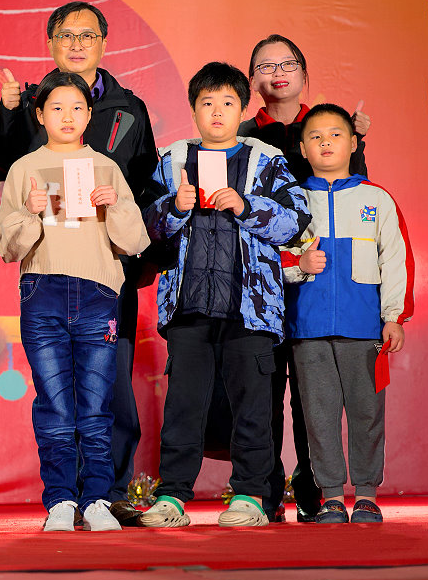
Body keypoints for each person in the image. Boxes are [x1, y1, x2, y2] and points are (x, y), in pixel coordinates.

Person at [0, 1, 159, 527]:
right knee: (56, 401)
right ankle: (62, 497)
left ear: (104, 43)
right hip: (44, 281)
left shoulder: (128, 114)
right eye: (66, 34)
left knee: (107, 398)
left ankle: (106, 495)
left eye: (88, 34)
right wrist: (9, 112)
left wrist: (122, 221)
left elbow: (144, 197)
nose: (78, 42)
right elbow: (2, 180)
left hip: (105, 281)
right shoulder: (28, 117)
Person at [140, 62, 308, 529]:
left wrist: (246, 205)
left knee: (253, 404)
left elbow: (296, 220)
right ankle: (172, 497)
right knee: (183, 406)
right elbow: (147, 230)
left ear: (243, 109)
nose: (216, 112)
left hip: (250, 308)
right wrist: (174, 208)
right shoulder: (172, 160)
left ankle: (251, 496)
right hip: (188, 304)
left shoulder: (266, 160)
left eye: (227, 103)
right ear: (193, 109)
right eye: (207, 103)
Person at [239, 34, 372, 522]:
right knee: (264, 391)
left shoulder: (328, 126)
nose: (277, 72)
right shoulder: (242, 134)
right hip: (263, 280)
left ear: (305, 73)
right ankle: (266, 488)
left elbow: (355, 201)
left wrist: (358, 140)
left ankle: (317, 488)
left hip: (321, 280)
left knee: (315, 396)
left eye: (287, 63)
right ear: (251, 79)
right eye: (264, 65)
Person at [282, 104, 413, 523]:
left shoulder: (376, 198)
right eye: (316, 136)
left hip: (363, 328)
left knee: (366, 411)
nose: (326, 143)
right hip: (308, 328)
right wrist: (296, 267)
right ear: (302, 148)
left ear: (353, 143)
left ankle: (368, 494)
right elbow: (270, 258)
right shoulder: (292, 200)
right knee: (317, 416)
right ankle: (333, 496)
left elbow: (395, 259)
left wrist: (393, 315)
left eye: (335, 134)